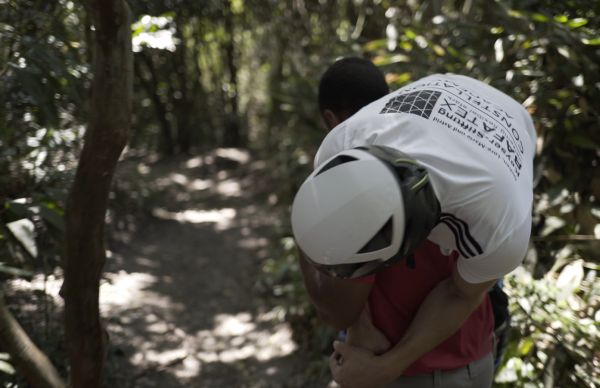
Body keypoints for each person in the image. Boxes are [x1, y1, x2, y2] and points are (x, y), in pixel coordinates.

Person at [291, 57, 535, 387]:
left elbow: (461, 294)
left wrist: (388, 365)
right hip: (461, 355)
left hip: (447, 369)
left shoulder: (501, 221)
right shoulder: (343, 142)